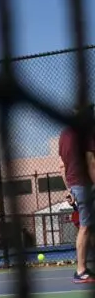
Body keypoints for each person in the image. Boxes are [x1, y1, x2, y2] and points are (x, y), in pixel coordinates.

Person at [58, 107, 95, 283]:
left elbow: (61, 166)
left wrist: (69, 189)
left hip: (75, 185)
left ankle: (84, 268)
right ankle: (80, 271)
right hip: (86, 185)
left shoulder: (64, 134)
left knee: (89, 227)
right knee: (86, 227)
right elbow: (91, 162)